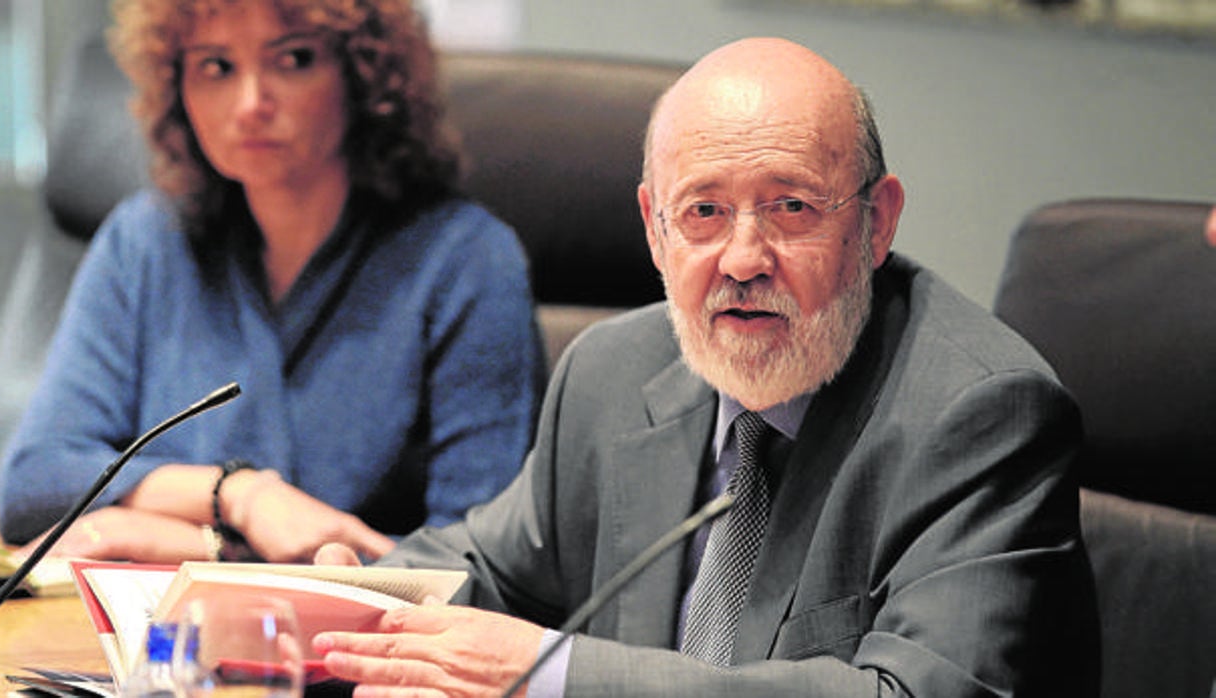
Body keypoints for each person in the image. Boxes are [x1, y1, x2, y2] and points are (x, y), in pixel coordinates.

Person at [310, 37, 1099, 697]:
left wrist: (556, 675)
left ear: (877, 221)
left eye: (792, 207)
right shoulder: (611, 373)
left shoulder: (980, 414)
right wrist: (330, 603)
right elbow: (490, 567)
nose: (744, 258)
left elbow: (919, 691)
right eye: (704, 212)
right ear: (655, 229)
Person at [0, 0, 544, 564]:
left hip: (371, 620)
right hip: (153, 617)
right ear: (177, 86)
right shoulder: (145, 240)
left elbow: (483, 561)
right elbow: (35, 482)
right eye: (216, 66)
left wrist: (210, 549)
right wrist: (237, 495)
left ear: (364, 74)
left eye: (294, 59)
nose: (250, 103)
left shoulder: (467, 260)